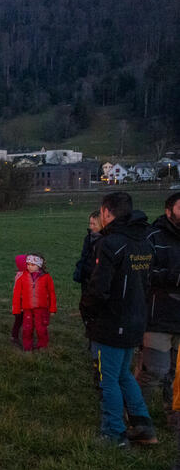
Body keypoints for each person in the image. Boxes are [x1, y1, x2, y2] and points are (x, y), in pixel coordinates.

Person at [83, 191, 157, 446]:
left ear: (106, 212)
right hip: (136, 319)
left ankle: (113, 432)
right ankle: (143, 425)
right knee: (124, 375)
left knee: (108, 379)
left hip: (112, 323)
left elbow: (99, 288)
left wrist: (87, 310)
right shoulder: (144, 242)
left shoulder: (111, 243)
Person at [138, 193, 180, 416]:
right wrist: (174, 277)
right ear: (168, 211)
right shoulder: (152, 236)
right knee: (154, 370)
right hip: (158, 316)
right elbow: (142, 272)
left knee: (178, 374)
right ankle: (136, 416)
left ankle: (173, 413)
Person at [12, 253, 57, 351]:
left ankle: (42, 346)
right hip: (27, 308)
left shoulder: (46, 277)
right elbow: (16, 294)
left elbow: (52, 293)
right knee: (27, 329)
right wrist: (16, 309)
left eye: (33, 265)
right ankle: (27, 347)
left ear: (39, 265)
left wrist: (52, 308)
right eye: (28, 264)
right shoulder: (22, 277)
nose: (29, 267)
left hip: (41, 309)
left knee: (41, 329)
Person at [10, 254, 27, 347]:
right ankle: (18, 337)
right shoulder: (22, 277)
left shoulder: (20, 274)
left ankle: (15, 336)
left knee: (19, 321)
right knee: (22, 321)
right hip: (21, 305)